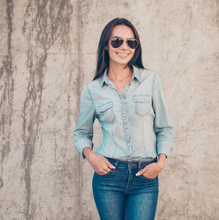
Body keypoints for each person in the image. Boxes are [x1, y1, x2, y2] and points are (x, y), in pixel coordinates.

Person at [73, 18, 175, 220]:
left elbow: (164, 128)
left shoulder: (150, 80)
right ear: (106, 46)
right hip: (108, 178)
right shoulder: (92, 90)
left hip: (145, 176)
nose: (124, 47)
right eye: (117, 41)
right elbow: (81, 133)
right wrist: (91, 156)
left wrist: (161, 162)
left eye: (131, 42)